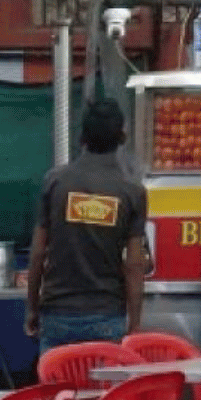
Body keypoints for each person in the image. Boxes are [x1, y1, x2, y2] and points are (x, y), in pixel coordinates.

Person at [27, 99, 150, 352]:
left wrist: (31, 308)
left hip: (57, 314)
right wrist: (135, 322)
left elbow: (38, 252)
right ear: (122, 138)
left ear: (82, 137)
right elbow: (134, 264)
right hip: (106, 317)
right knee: (104, 392)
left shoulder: (55, 182)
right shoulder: (132, 192)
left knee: (58, 388)